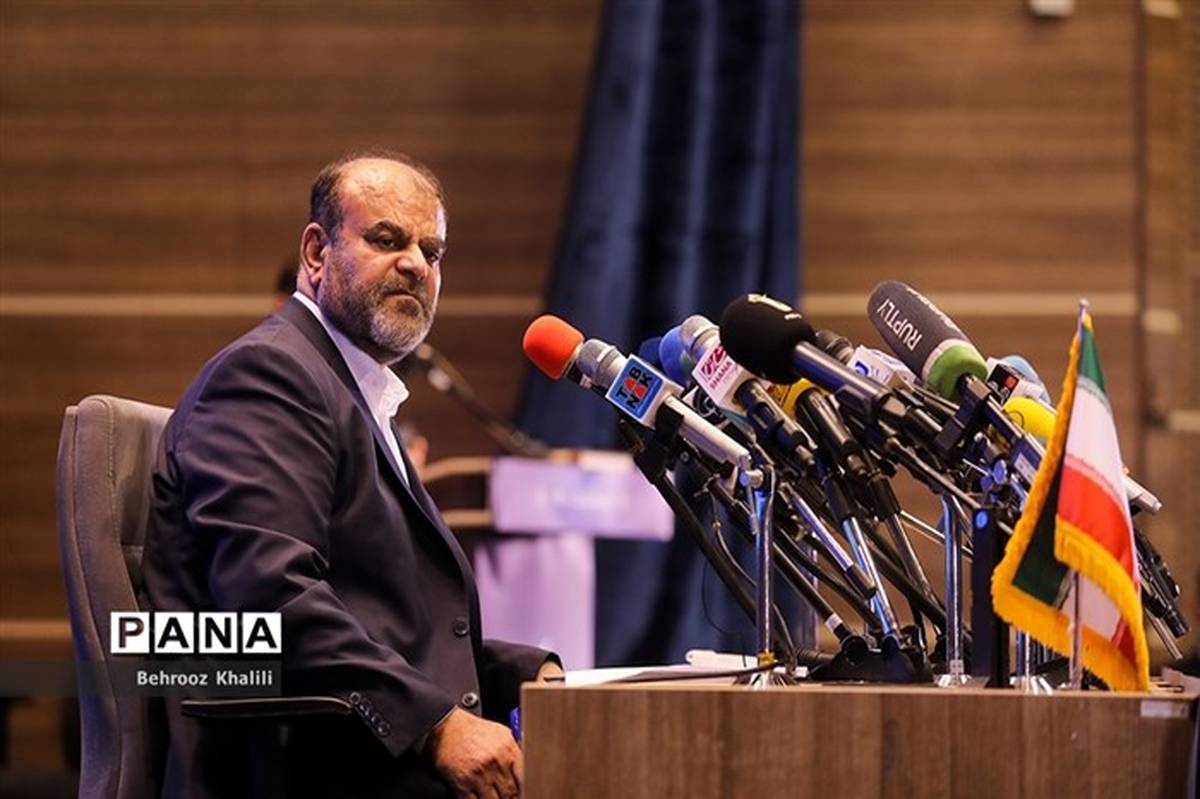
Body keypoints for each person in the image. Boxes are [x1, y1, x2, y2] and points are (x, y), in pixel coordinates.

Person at [143, 150, 561, 799]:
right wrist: (437, 727)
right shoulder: (270, 375)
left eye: (432, 251)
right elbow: (269, 600)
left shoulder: (353, 393)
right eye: (387, 240)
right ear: (317, 252)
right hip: (306, 772)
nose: (417, 264)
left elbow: (394, 625)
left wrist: (529, 672)